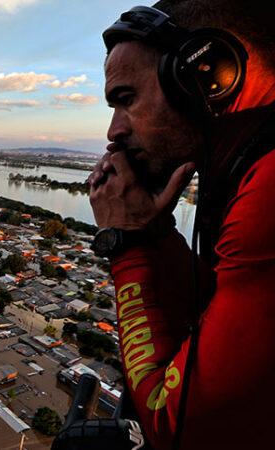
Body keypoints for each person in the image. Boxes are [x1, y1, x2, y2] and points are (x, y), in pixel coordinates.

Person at [88, 1, 275, 449]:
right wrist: (154, 233)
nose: (113, 131)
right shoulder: (244, 164)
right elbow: (219, 314)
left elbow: (178, 425)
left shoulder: (269, 186)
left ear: (205, 75)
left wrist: (128, 245)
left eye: (126, 99)